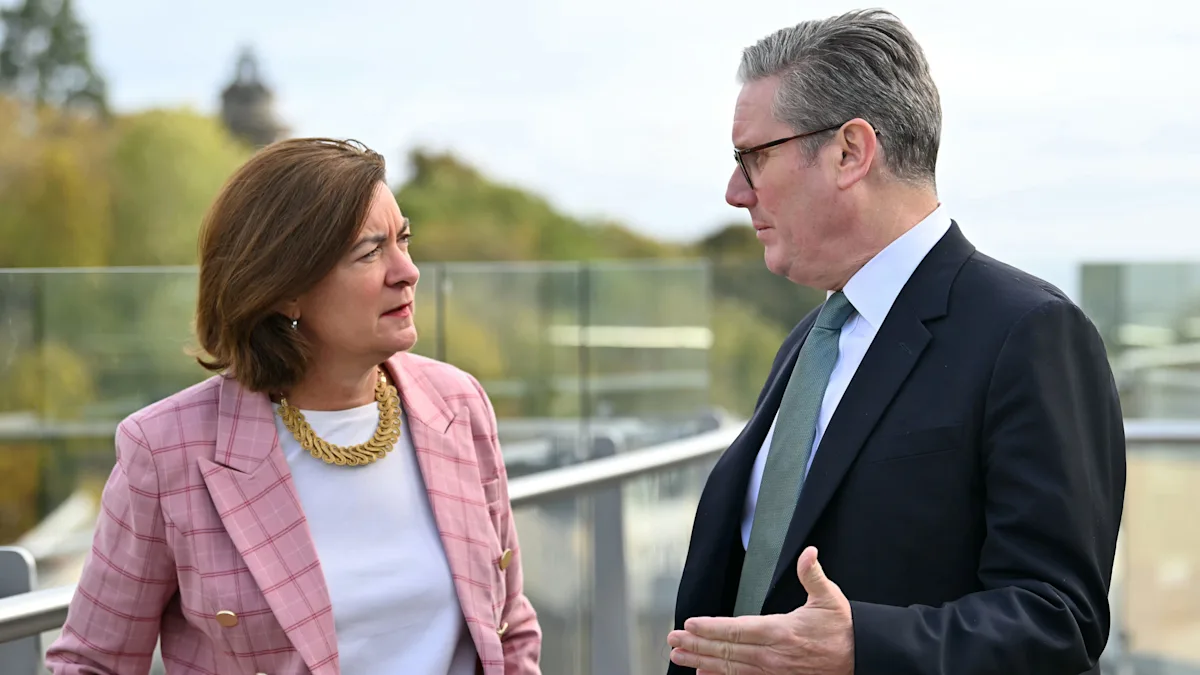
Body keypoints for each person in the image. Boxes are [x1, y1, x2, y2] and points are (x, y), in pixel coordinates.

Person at [666, 9, 1125, 675]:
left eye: (754, 157)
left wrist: (863, 645)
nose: (736, 191)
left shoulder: (1029, 332)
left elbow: (1058, 616)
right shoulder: (809, 342)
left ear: (851, 151)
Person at [45, 138, 542, 675]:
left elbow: (509, 626)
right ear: (286, 290)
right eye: (370, 252)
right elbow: (92, 662)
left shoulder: (458, 405)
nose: (407, 271)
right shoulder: (167, 451)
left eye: (404, 240)